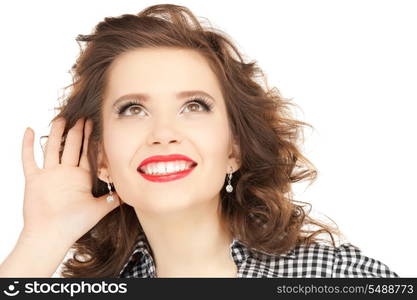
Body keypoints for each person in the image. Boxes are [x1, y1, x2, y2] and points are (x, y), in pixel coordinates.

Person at [0, 4, 398, 278]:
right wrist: (43, 238)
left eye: (194, 105)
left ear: (234, 149)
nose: (163, 133)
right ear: (101, 159)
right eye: (133, 110)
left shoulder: (330, 276)